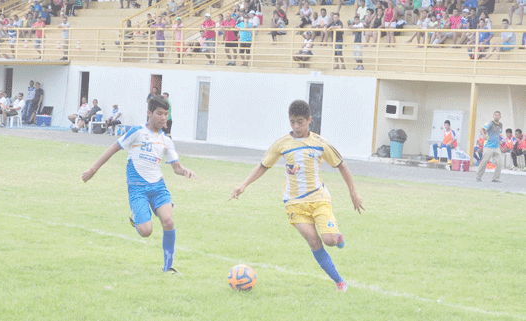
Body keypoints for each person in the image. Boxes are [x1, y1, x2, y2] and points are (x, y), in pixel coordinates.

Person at [229, 100, 364, 292]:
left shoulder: (320, 143)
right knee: (314, 240)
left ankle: (337, 237)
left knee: (330, 241)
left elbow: (341, 165)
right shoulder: (282, 144)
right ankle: (339, 281)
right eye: (292, 122)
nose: (296, 126)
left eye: (300, 122)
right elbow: (263, 166)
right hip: (294, 204)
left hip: (319, 200)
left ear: (309, 120)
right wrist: (243, 185)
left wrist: (353, 194)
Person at [82, 95, 198, 274]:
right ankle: (136, 217)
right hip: (137, 187)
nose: (163, 117)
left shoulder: (166, 140)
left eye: (165, 114)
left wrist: (185, 171)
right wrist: (92, 170)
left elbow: (176, 167)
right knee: (146, 231)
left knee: (168, 221)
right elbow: (113, 149)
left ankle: (168, 268)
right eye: (159, 113)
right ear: (149, 113)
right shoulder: (137, 132)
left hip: (158, 186)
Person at [476, 111, 503, 182]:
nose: (496, 116)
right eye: (495, 115)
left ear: (500, 117)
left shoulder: (500, 125)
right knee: (484, 161)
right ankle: (478, 176)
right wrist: (484, 135)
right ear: (493, 116)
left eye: (498, 115)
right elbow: (481, 129)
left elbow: (498, 134)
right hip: (488, 146)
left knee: (499, 162)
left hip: (496, 147)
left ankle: (495, 178)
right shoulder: (490, 123)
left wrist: (500, 143)